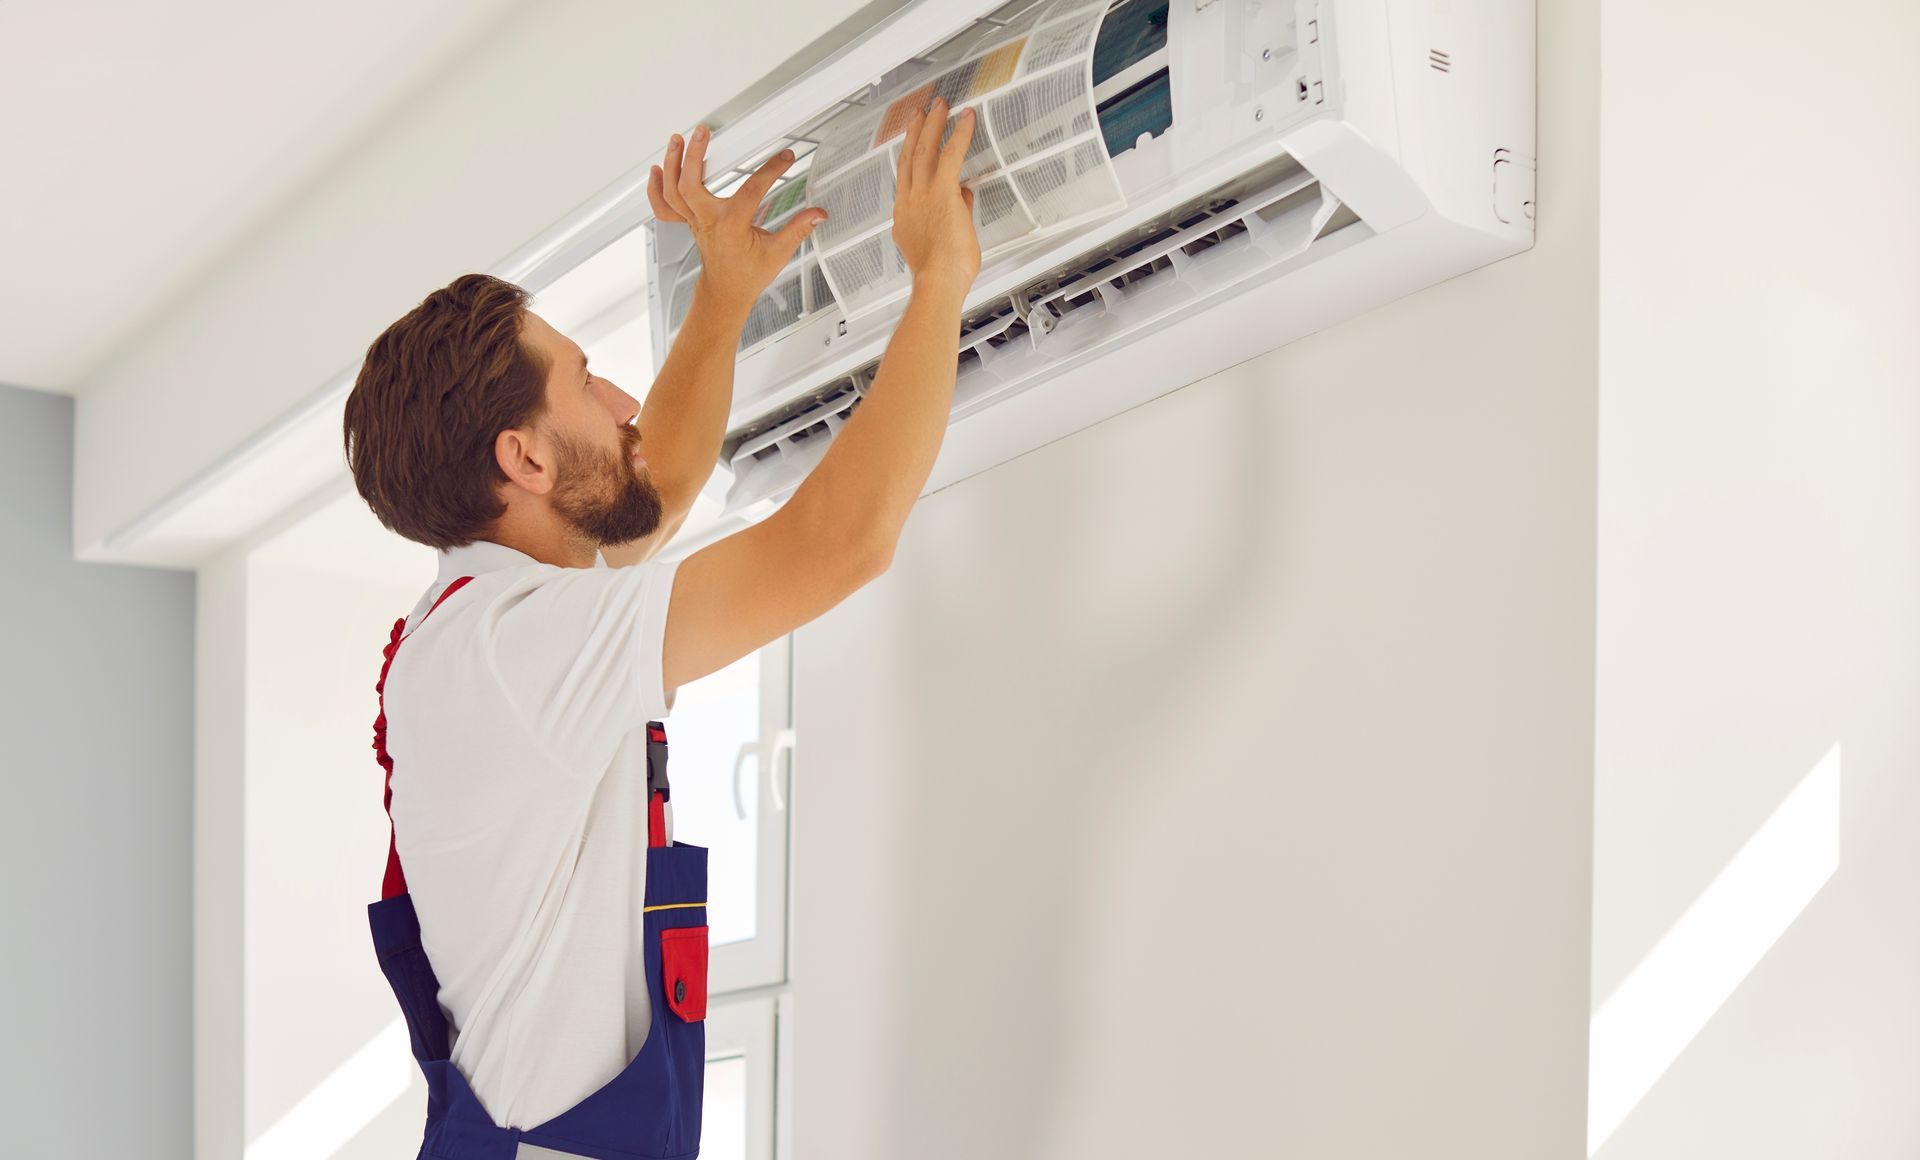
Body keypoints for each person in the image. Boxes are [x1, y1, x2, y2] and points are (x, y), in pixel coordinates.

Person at [341, 98, 980, 1158]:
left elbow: (655, 483)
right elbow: (841, 539)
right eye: (586, 380)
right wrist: (939, 282)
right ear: (526, 462)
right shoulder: (514, 647)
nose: (623, 396)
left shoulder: (493, 620)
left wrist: (724, 298)